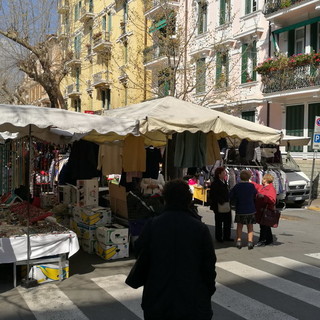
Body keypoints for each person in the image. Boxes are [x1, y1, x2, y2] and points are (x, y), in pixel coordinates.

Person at [134, 179, 217, 320]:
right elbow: (209, 264)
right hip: (192, 297)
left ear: (165, 199)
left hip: (158, 295)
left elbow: (139, 252)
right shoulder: (199, 228)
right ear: (188, 200)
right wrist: (207, 290)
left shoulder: (153, 225)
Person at [230, 170, 257, 250]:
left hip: (240, 209)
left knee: (239, 226)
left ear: (240, 177)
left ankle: (238, 240)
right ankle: (250, 242)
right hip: (250, 209)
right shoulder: (251, 186)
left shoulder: (237, 186)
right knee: (250, 226)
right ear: (249, 177)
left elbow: (230, 195)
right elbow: (255, 194)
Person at [208, 167, 233, 243]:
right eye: (223, 173)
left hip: (226, 204)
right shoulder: (215, 183)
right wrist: (221, 201)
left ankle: (226, 236)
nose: (225, 174)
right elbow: (213, 194)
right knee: (219, 222)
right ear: (219, 174)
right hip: (218, 205)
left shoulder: (224, 181)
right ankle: (219, 237)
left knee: (227, 221)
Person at [251, 173, 277, 246]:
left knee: (263, 226)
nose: (262, 179)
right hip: (262, 210)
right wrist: (250, 181)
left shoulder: (271, 189)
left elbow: (272, 200)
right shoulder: (264, 187)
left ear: (265, 180)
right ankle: (269, 240)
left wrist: (263, 197)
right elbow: (257, 186)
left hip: (266, 210)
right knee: (266, 225)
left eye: (263, 178)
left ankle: (262, 240)